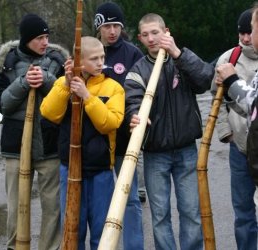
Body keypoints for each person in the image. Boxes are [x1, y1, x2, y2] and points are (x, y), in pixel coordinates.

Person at [125, 13, 214, 250]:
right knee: (160, 215)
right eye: (145, 35)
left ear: (167, 31)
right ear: (140, 38)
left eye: (155, 32)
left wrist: (178, 53)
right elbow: (131, 102)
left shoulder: (181, 58)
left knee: (191, 212)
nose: (151, 38)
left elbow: (205, 79)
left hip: (186, 150)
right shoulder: (137, 70)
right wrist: (134, 116)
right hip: (156, 153)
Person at [0, 14, 68, 250]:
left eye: (46, 37)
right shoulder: (7, 63)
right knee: (15, 206)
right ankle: (16, 246)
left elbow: (66, 99)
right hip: (15, 147)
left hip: (50, 145)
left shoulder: (57, 61)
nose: (44, 42)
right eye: (39, 38)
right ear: (26, 39)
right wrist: (23, 83)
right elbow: (0, 102)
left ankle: (49, 247)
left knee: (52, 207)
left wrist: (47, 80)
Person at [40, 36, 125, 250]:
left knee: (102, 234)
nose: (100, 62)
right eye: (94, 58)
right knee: (72, 233)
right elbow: (49, 113)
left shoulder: (113, 87)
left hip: (101, 171)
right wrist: (67, 86)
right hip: (69, 170)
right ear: (78, 61)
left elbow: (110, 123)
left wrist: (87, 97)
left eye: (102, 57)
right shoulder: (63, 83)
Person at [94, 2, 145, 249]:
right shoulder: (89, 51)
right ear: (98, 27)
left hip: (125, 138)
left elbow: (140, 92)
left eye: (116, 25)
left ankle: (134, 246)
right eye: (107, 26)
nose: (112, 31)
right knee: (102, 201)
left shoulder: (132, 53)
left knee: (131, 198)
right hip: (96, 140)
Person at [211, 8, 258, 250]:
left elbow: (252, 103)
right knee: (243, 211)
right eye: (242, 33)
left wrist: (233, 84)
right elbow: (216, 100)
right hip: (240, 147)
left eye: (250, 32)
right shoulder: (229, 58)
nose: (246, 38)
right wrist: (224, 131)